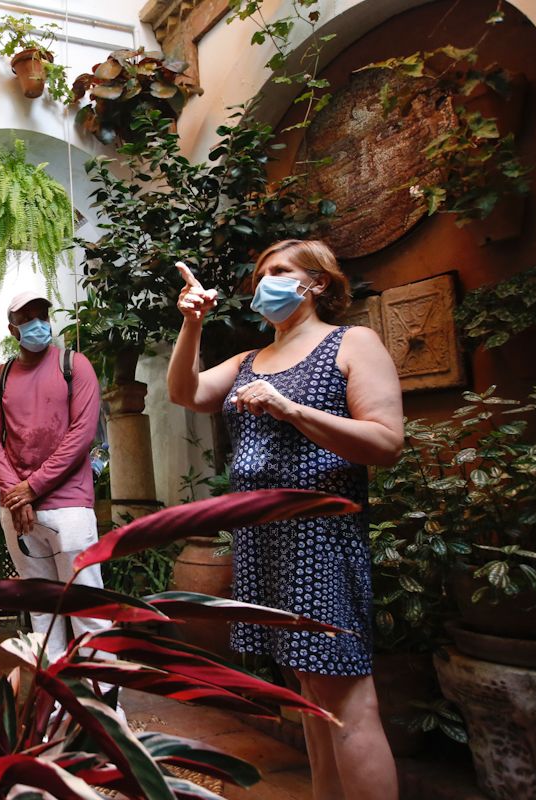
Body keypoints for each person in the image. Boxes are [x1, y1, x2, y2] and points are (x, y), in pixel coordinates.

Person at [166, 240, 403, 800]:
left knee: (348, 702)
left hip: (317, 539)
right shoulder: (250, 360)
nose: (263, 282)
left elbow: (387, 441)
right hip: (263, 544)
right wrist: (192, 325)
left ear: (317, 283)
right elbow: (187, 392)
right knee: (311, 701)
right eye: (259, 274)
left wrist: (290, 408)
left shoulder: (351, 343)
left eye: (279, 272)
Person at [0, 291, 106, 663]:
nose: (38, 323)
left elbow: (82, 434)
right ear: (12, 329)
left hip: (69, 508)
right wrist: (16, 495)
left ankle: (104, 705)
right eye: (27, 317)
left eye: (42, 314)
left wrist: (29, 489)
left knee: (88, 608)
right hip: (19, 514)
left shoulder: (75, 364)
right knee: (41, 611)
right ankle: (52, 706)